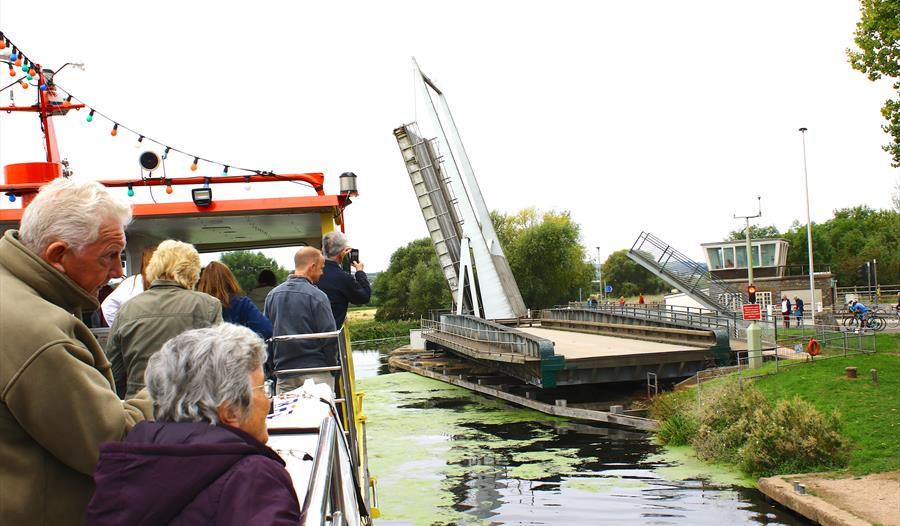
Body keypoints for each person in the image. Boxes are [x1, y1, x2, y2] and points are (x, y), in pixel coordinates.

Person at [0, 178, 152, 524]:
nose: (117, 272)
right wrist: (169, 387)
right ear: (57, 255)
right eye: (109, 256)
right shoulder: (38, 332)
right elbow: (114, 445)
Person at [87, 324, 301, 525]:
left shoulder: (129, 467)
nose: (269, 401)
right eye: (262, 389)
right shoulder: (253, 478)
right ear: (230, 411)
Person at [107, 239, 222, 399]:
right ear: (191, 272)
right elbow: (218, 365)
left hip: (140, 409)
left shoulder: (126, 309)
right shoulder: (207, 305)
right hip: (189, 407)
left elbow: (113, 373)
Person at [265, 246, 337, 393]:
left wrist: (272, 367)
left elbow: (266, 334)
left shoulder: (272, 296)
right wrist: (332, 367)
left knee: (287, 416)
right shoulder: (318, 296)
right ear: (312, 267)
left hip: (284, 374)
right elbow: (329, 336)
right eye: (321, 268)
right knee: (319, 415)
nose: (322, 273)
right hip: (316, 371)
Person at [198, 260, 272, 339]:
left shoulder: (198, 305)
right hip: (236, 349)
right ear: (229, 280)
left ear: (203, 283)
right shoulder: (241, 303)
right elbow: (266, 329)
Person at [318, 231, 371, 329]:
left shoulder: (312, 272)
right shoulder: (343, 278)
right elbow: (364, 297)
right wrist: (360, 272)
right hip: (330, 333)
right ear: (342, 252)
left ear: (322, 249)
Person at [100, 245, 157, 326]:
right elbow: (108, 306)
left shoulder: (132, 282)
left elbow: (108, 306)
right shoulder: (133, 282)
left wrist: (121, 329)